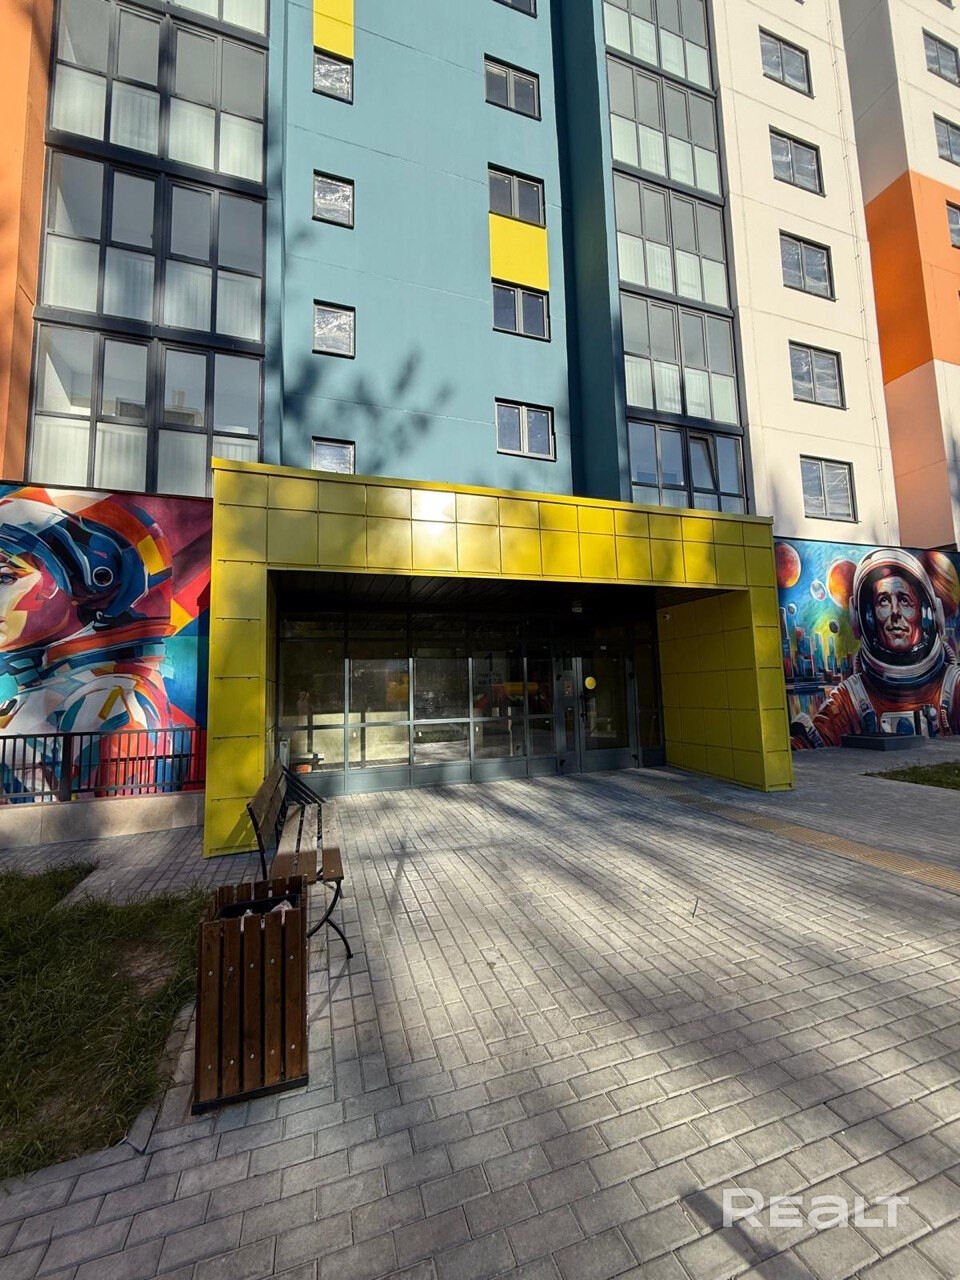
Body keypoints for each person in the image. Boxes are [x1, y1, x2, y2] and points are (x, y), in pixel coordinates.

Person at [0, 487, 176, 795]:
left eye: (4, 577)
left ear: (95, 580)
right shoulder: (59, 689)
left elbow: (105, 815)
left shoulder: (108, 701)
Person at [791, 547, 960, 747]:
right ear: (863, 619)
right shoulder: (853, 697)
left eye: (905, 601)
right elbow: (813, 744)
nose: (895, 612)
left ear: (930, 615)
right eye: (884, 601)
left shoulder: (953, 687)